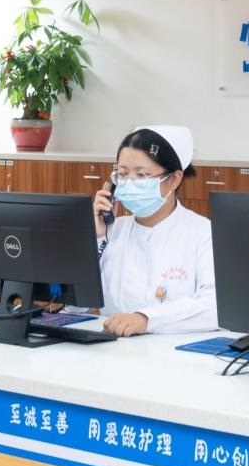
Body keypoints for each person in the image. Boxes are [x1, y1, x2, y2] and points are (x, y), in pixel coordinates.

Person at [87, 125, 216, 337]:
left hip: (174, 353)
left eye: (142, 175)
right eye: (123, 174)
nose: (130, 183)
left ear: (174, 179)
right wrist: (95, 238)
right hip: (111, 350)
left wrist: (146, 319)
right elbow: (72, 306)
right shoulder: (111, 231)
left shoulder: (203, 233)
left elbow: (214, 306)